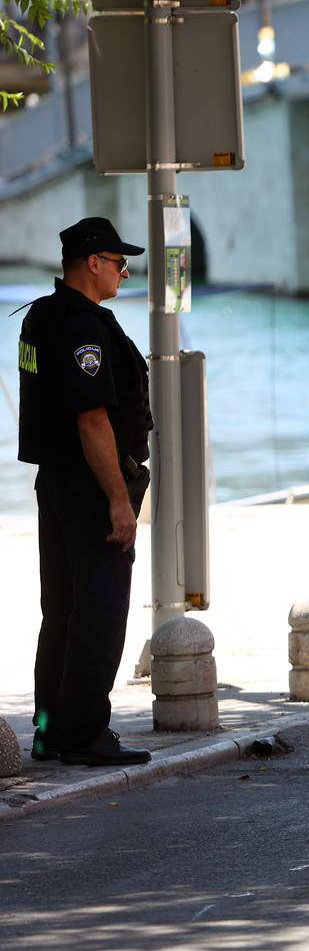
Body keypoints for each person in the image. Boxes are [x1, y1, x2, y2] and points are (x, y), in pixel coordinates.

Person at [17, 218, 153, 767]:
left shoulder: (40, 317)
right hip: (90, 486)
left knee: (64, 610)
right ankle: (82, 733)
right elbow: (92, 419)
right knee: (98, 610)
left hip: (55, 483)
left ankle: (50, 728)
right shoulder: (81, 328)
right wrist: (119, 502)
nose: (125, 271)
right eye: (120, 262)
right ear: (92, 262)